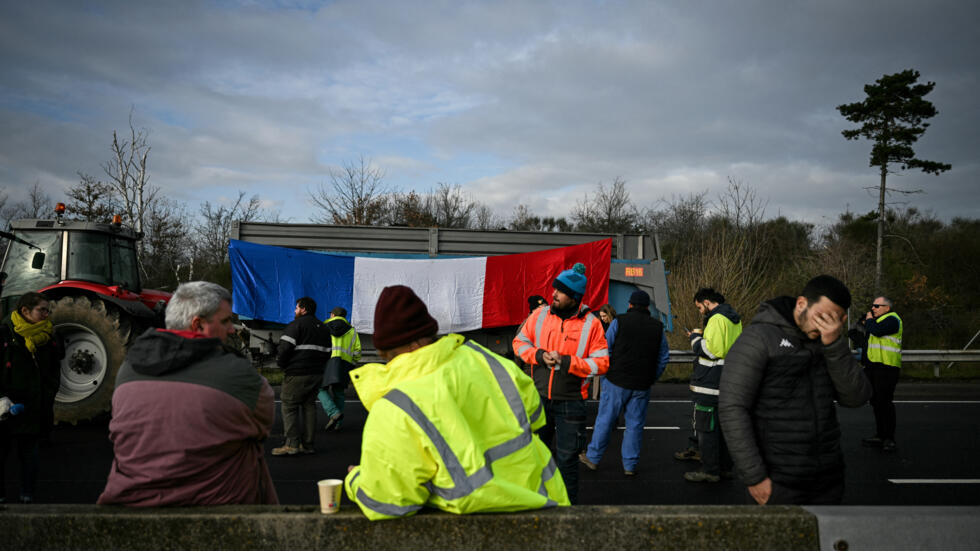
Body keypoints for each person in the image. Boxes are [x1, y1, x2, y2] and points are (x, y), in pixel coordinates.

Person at [345, 285, 568, 520]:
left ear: (385, 351)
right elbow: (534, 415)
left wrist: (355, 479)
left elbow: (388, 502)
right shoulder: (484, 360)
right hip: (545, 507)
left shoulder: (395, 406)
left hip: (474, 529)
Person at [98, 281, 278, 505]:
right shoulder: (237, 374)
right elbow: (263, 424)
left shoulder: (128, 369)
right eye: (225, 321)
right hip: (223, 514)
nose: (232, 329)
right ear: (198, 325)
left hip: (130, 504)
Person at [719, 275, 871, 505]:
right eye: (822, 316)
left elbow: (856, 397)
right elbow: (732, 408)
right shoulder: (758, 339)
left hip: (828, 480)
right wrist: (755, 478)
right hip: (778, 480)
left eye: (835, 320)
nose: (825, 326)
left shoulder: (829, 344)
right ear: (801, 304)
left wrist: (835, 346)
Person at [513, 262, 609, 504]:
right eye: (555, 289)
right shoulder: (539, 315)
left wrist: (567, 362)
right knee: (533, 457)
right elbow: (519, 342)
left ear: (574, 297)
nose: (553, 294)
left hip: (572, 403)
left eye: (560, 291)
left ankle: (568, 512)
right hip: (538, 399)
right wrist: (537, 355)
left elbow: (602, 363)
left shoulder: (592, 323)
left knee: (567, 461)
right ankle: (532, 504)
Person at [578, 290, 667, 475]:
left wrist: (606, 374)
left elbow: (605, 349)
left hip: (616, 381)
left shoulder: (620, 322)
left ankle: (593, 458)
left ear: (630, 305)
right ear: (647, 307)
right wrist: (652, 377)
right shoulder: (657, 326)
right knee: (634, 426)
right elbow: (663, 358)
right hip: (642, 384)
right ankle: (630, 465)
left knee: (605, 421)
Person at [0, 292, 62, 504]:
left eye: (48, 310)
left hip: (35, 407)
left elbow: (54, 369)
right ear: (25, 311)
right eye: (42, 310)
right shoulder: (5, 334)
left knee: (30, 456)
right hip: (7, 408)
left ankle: (28, 497)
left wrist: (48, 392)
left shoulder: (49, 336)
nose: (46, 314)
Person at [683, 288, 742, 483]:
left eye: (700, 307)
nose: (700, 311)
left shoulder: (716, 319)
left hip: (709, 383)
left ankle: (709, 471)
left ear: (707, 302)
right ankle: (725, 468)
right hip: (727, 381)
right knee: (723, 429)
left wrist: (695, 339)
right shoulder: (734, 319)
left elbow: (712, 350)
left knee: (706, 430)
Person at [273, 297, 332, 456]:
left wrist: (281, 364)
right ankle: (308, 445)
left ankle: (292, 444)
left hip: (297, 373)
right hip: (317, 374)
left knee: (289, 406)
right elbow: (328, 352)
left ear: (304, 309)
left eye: (297, 308)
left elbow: (284, 349)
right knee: (309, 406)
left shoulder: (295, 325)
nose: (295, 311)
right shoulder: (324, 329)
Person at [859, 296, 903, 452]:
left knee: (885, 402)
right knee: (876, 402)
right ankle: (880, 435)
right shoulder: (875, 321)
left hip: (887, 368)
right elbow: (866, 341)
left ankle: (889, 438)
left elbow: (877, 332)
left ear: (887, 308)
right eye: (872, 306)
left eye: (877, 306)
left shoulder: (892, 319)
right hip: (873, 368)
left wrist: (869, 321)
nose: (873, 308)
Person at [318, 306, 361, 432]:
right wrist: (351, 363)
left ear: (332, 315)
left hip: (327, 363)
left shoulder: (323, 328)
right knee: (339, 393)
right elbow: (357, 351)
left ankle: (333, 413)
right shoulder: (352, 331)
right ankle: (338, 424)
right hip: (344, 365)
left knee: (319, 388)